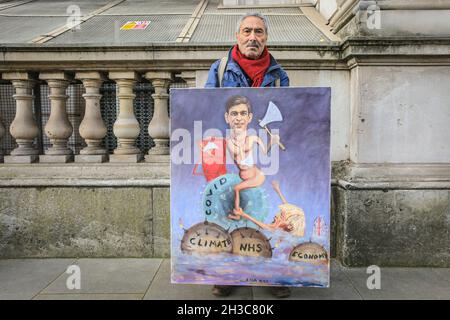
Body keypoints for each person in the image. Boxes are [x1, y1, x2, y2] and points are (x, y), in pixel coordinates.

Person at [205, 12, 291, 298]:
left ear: (265, 37)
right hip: (234, 163)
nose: (253, 37)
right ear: (237, 36)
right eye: (247, 31)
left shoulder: (279, 75)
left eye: (258, 32)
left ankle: (271, 273)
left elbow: (287, 115)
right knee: (231, 215)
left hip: (261, 166)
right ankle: (227, 274)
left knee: (262, 213)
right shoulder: (219, 70)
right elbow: (207, 110)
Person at [224, 95, 280, 220]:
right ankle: (238, 212)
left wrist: (273, 141)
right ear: (227, 117)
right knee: (237, 188)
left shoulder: (253, 138)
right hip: (244, 176)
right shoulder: (229, 141)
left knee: (236, 189)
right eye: (234, 114)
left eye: (243, 113)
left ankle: (237, 213)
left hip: (256, 176)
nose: (239, 118)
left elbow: (265, 152)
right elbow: (238, 155)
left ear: (249, 117)